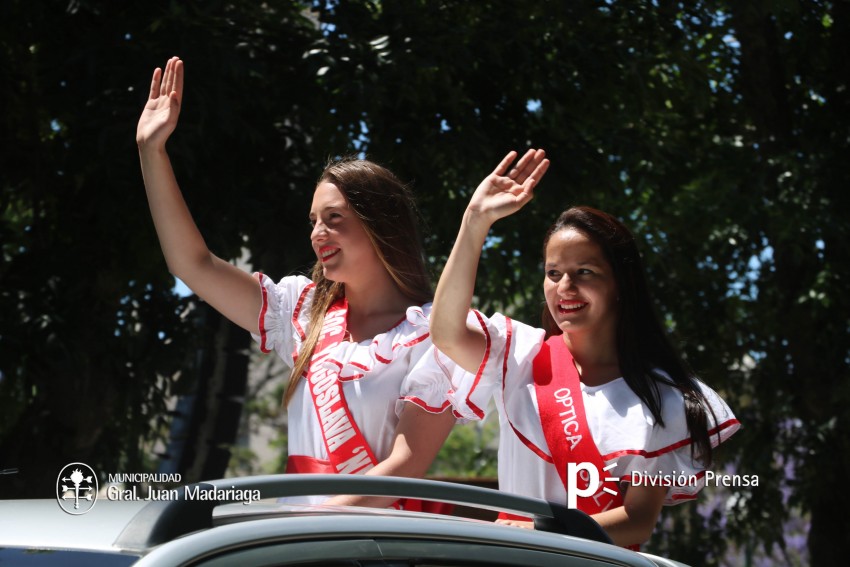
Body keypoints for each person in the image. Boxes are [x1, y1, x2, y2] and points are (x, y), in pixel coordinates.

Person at [136, 56, 456, 508]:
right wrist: (153, 153)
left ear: (382, 227)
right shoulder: (302, 310)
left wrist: (311, 528)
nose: (316, 234)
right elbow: (194, 266)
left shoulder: (433, 335)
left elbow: (405, 464)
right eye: (313, 221)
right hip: (299, 542)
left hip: (375, 545)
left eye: (334, 219)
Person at [428, 149, 740, 547]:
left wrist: (533, 532)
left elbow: (637, 521)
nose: (564, 288)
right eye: (553, 273)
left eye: (585, 273)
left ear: (621, 284)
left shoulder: (664, 398)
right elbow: (447, 333)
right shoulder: (520, 356)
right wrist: (475, 221)